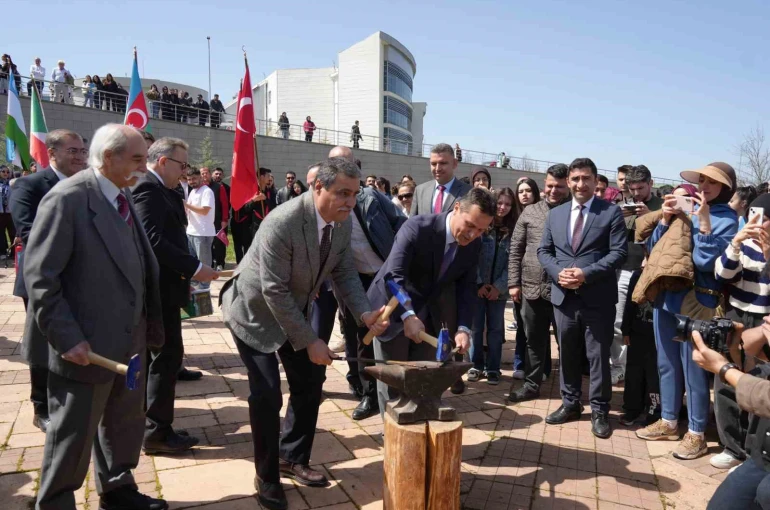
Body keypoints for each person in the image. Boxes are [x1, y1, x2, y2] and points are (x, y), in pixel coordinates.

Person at [221, 157, 387, 510]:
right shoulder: (282, 221)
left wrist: (364, 313)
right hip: (253, 313)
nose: (350, 202)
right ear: (318, 188)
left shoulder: (341, 223)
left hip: (291, 309)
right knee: (266, 393)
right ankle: (266, 478)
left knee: (311, 379)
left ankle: (291, 457)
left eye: (354, 194)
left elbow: (343, 273)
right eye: (342, 192)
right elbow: (273, 291)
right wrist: (310, 339)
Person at [24, 124, 167, 510]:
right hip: (84, 345)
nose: (144, 165)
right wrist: (66, 336)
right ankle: (54, 501)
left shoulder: (122, 194)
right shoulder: (67, 200)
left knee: (123, 424)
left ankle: (117, 489)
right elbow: (40, 278)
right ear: (109, 158)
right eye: (137, 158)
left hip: (129, 340)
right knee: (73, 434)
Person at [635, 162, 738, 460]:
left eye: (712, 183)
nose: (705, 187)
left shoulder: (728, 219)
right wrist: (666, 219)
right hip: (666, 296)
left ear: (725, 188)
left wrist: (703, 222)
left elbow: (708, 264)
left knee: (694, 369)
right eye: (702, 181)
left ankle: (696, 432)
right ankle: (669, 420)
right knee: (666, 362)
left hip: (699, 302)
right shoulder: (684, 211)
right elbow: (655, 249)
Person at [131, 138, 219, 456]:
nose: (186, 173)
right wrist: (194, 267)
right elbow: (152, 239)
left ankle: (155, 426)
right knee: (164, 359)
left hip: (168, 286)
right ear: (164, 162)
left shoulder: (166, 189)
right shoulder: (147, 189)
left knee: (166, 357)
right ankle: (156, 431)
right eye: (182, 166)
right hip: (156, 291)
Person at [369, 187, 495, 407]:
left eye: (481, 230)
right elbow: (393, 275)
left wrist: (464, 328)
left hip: (429, 315)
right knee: (393, 381)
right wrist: (408, 315)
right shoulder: (417, 227)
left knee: (422, 377)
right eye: (470, 225)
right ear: (456, 208)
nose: (473, 234)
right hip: (392, 310)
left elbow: (467, 288)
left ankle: (416, 429)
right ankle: (392, 435)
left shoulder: (474, 244)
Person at [537, 158, 627, 439]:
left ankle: (600, 410)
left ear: (595, 180)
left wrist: (585, 274)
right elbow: (544, 251)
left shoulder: (610, 213)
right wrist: (558, 273)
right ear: (568, 181)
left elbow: (618, 254)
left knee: (598, 356)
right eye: (575, 179)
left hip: (597, 298)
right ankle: (570, 403)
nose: (580, 184)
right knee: (567, 353)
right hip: (564, 297)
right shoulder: (556, 214)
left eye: (585, 178)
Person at [10, 130, 87, 434]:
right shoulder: (28, 186)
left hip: (81, 281)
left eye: (83, 151)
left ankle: (67, 395)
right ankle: (40, 405)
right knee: (44, 343)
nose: (80, 157)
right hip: (43, 281)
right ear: (52, 153)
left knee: (74, 338)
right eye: (73, 151)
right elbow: (30, 234)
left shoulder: (85, 186)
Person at [711, 193, 770, 469]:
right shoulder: (742, 242)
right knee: (726, 378)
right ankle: (732, 447)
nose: (758, 225)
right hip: (736, 314)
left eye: (765, 220)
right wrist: (736, 243)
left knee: (758, 384)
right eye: (754, 217)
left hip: (765, 321)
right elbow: (721, 275)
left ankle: (754, 453)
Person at [689, 318, 770, 509]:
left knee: (765, 494)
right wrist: (733, 345)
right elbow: (753, 362)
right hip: (763, 458)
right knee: (722, 504)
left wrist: (724, 369)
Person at [508, 164, 570, 403]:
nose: (554, 190)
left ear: (568, 186)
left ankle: (569, 390)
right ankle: (532, 384)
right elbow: (516, 249)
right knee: (533, 340)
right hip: (531, 287)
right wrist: (514, 283)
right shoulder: (530, 212)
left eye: (559, 186)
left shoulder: (574, 212)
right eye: (550, 185)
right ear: (544, 185)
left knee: (566, 342)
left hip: (564, 290)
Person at [611, 165, 663, 386]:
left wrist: (650, 217)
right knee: (619, 320)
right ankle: (619, 367)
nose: (636, 193)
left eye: (640, 188)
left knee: (653, 323)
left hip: (655, 272)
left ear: (651, 184)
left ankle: (654, 370)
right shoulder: (623, 206)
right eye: (632, 189)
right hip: (625, 268)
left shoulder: (663, 207)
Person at [468, 188, 515, 386]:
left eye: (507, 204)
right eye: (499, 203)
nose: (502, 207)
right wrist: (479, 283)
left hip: (499, 290)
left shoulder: (513, 230)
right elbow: (471, 257)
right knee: (476, 328)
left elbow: (513, 261)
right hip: (478, 287)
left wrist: (498, 286)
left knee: (496, 329)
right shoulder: (481, 227)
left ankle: (493, 367)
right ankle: (475, 365)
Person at [619, 264, 661, 426]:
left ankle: (654, 413)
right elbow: (630, 303)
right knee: (633, 373)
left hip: (658, 334)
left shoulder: (667, 278)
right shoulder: (638, 274)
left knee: (654, 376)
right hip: (637, 330)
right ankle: (631, 409)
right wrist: (626, 330)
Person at [508, 177, 542, 378]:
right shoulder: (512, 216)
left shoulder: (542, 214)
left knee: (536, 327)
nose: (524, 194)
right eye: (520, 191)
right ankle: (520, 364)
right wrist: (513, 281)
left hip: (537, 279)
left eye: (528, 190)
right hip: (518, 279)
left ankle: (539, 367)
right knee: (521, 324)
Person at [411, 143, 472, 216]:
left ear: (454, 163)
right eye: (433, 164)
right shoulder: (420, 191)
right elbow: (411, 224)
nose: (437, 169)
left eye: (443, 163)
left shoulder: (469, 193)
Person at [184, 168, 215, 289]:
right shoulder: (192, 192)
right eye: (189, 179)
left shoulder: (206, 191)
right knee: (193, 262)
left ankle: (205, 286)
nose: (192, 181)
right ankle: (195, 284)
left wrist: (185, 204)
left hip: (203, 232)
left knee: (204, 262)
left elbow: (205, 210)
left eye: (194, 178)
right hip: (191, 231)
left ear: (201, 178)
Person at [209, 168, 230, 271]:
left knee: (220, 243)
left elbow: (227, 205)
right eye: (216, 174)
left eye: (220, 174)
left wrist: (225, 219)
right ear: (212, 174)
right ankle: (212, 261)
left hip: (221, 221)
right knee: (210, 242)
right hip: (209, 221)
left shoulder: (226, 188)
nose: (218, 176)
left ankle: (220, 263)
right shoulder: (207, 187)